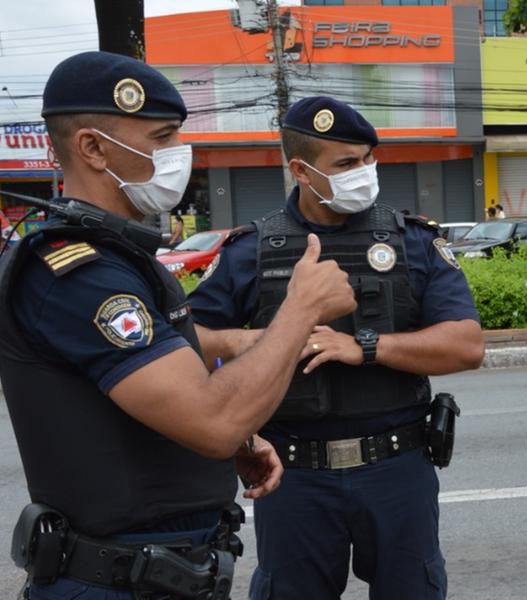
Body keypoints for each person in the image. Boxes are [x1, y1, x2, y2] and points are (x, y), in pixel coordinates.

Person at [0, 52, 357, 599]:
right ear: (93, 148)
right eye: (162, 138)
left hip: (162, 573)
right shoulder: (79, 274)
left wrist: (234, 441)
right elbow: (209, 419)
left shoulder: (120, 257)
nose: (177, 155)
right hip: (116, 582)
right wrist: (301, 308)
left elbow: (147, 397)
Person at [189, 96, 485, 600]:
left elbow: (467, 345)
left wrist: (365, 346)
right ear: (301, 170)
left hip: (397, 469)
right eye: (347, 163)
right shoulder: (253, 250)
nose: (365, 172)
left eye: (369, 158)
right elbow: (187, 342)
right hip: (295, 476)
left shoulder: (411, 241)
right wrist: (255, 340)